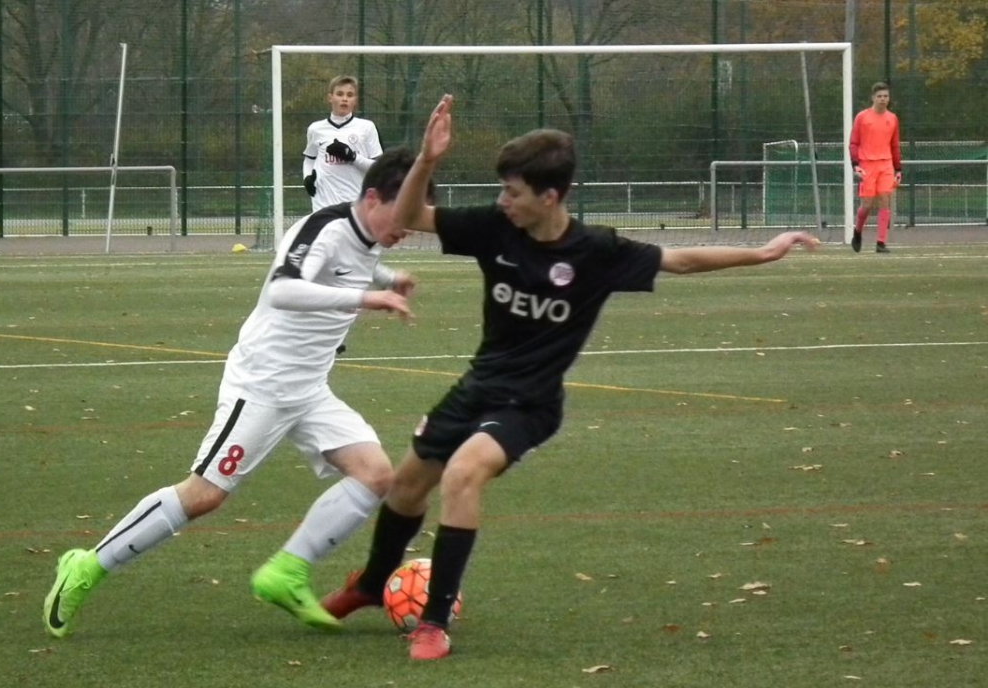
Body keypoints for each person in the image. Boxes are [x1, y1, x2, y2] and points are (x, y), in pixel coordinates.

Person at [320, 95, 820, 661]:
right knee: (408, 485)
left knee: (462, 474)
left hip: (530, 405)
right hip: (478, 385)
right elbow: (411, 216)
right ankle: (372, 585)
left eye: (513, 192)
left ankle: (433, 623)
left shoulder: (595, 251)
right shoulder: (494, 228)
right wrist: (428, 160)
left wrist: (762, 253)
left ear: (549, 197)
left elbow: (680, 259)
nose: (502, 200)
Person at [43, 148, 432, 639]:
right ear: (373, 198)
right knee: (203, 494)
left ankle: (287, 572)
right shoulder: (325, 229)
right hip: (262, 384)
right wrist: (367, 297)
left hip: (308, 388)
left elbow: (353, 264)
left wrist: (389, 277)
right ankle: (86, 565)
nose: (408, 228)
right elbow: (283, 289)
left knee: (375, 475)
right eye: (404, 214)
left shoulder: (366, 236)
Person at [303, 75, 384, 213]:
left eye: (350, 95)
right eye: (340, 94)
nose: (344, 99)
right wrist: (307, 177)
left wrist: (352, 157)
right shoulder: (315, 129)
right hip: (323, 203)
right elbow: (310, 159)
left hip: (354, 203)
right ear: (330, 98)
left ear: (355, 100)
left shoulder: (367, 127)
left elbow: (378, 168)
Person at [849, 81, 902, 254]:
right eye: (879, 96)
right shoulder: (862, 117)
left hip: (886, 164)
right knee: (867, 204)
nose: (883, 99)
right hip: (867, 164)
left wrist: (898, 169)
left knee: (885, 200)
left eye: (885, 96)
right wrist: (855, 165)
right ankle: (857, 232)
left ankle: (881, 242)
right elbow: (854, 142)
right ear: (873, 98)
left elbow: (895, 145)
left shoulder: (892, 119)